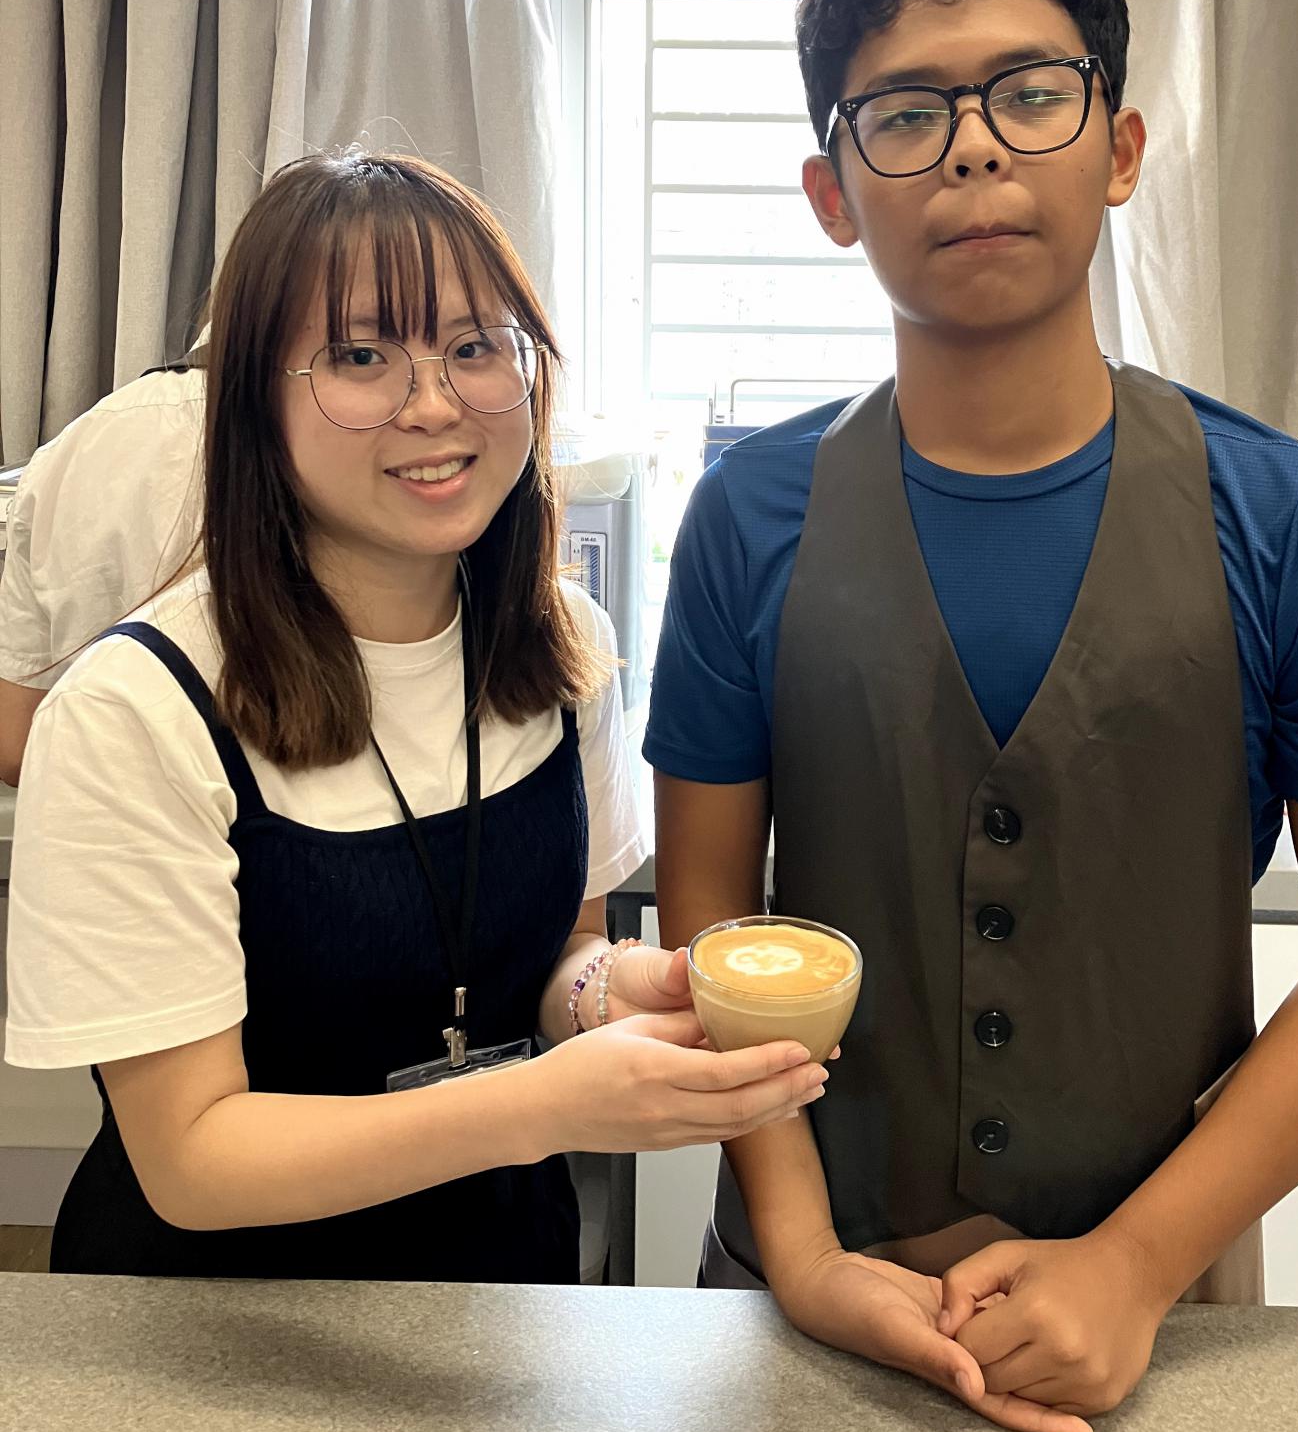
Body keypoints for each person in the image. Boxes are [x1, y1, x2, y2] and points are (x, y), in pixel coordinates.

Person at [646, 0, 1298, 1432]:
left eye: (1029, 92)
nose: (974, 149)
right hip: (801, 1299)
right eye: (905, 114)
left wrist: (1138, 1262)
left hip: (1165, 1313)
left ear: (1120, 148)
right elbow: (714, 927)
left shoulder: (1283, 517)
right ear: (830, 192)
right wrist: (804, 1258)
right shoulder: (748, 519)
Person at [4, 151, 827, 1281]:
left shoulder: (561, 644)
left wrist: (606, 991)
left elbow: (561, 948)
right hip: (213, 1325)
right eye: (361, 356)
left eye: (476, 347)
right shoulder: (135, 710)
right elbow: (189, 1159)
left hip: (500, 1295)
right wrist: (544, 1104)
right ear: (253, 399)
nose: (435, 404)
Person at [0, 361, 204, 784]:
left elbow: (15, 748)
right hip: (256, 812)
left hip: (91, 797)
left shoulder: (72, 446)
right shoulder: (319, 442)